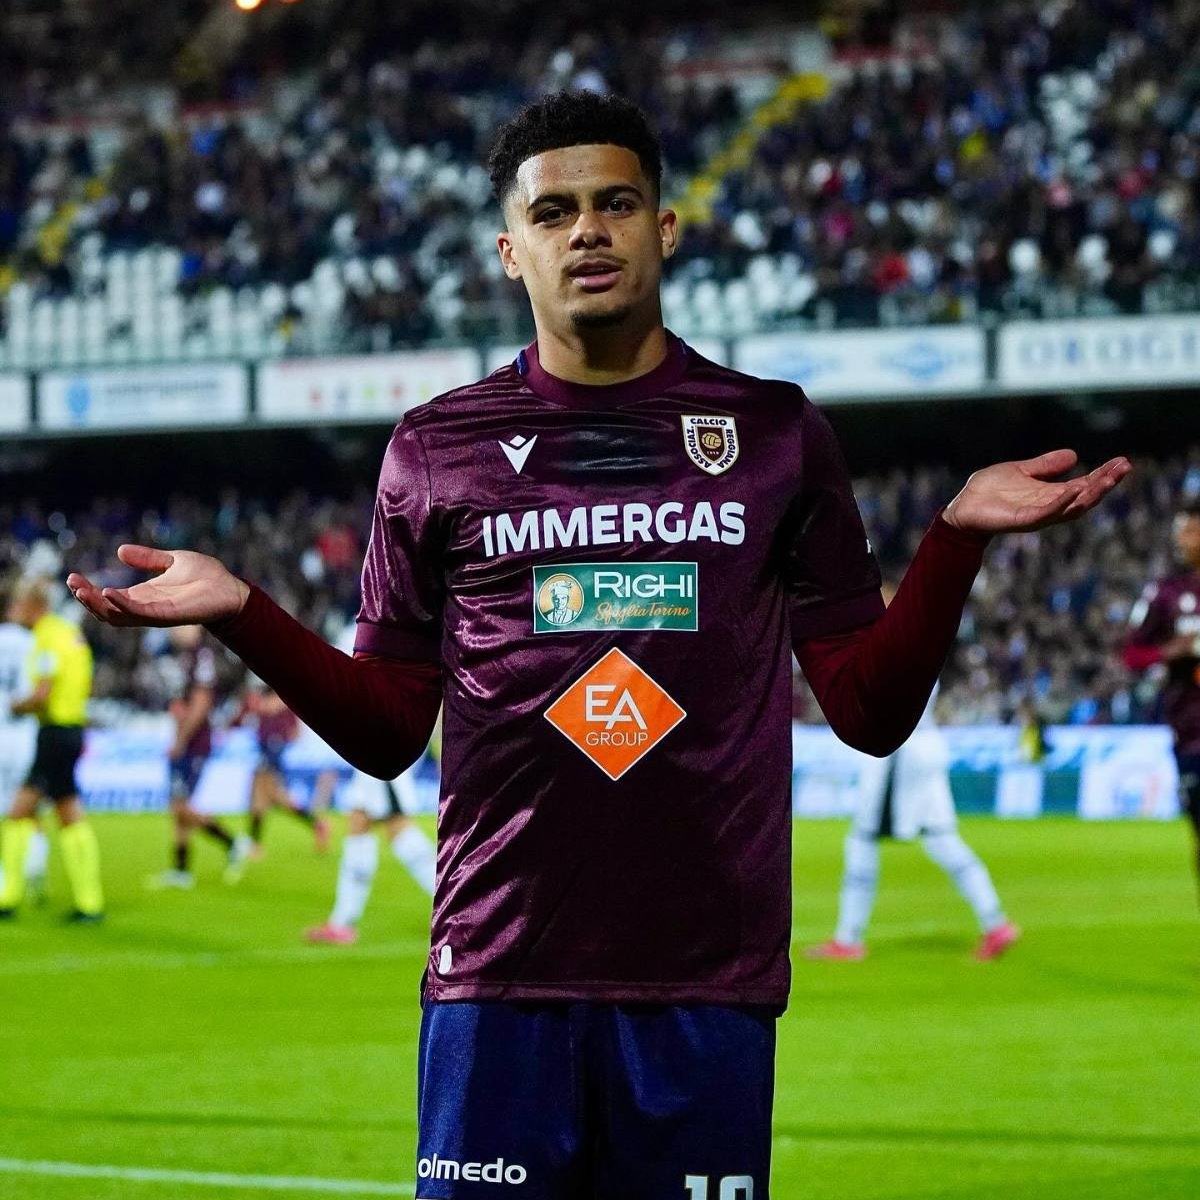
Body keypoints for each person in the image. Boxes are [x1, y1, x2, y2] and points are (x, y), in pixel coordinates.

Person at [68, 91, 1129, 1199]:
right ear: (509, 251)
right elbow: (388, 732)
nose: (587, 231)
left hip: (704, 985)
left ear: (664, 229)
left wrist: (953, 540)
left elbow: (868, 710)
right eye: (553, 211)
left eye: (617, 204)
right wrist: (243, 610)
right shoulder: (434, 449)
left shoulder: (774, 434)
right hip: (498, 976)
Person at [807, 583, 1018, 961]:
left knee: (862, 839)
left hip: (897, 752)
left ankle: (848, 939)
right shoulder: (918, 634)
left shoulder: (888, 642)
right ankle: (996, 922)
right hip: (925, 745)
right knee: (942, 839)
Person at [306, 622, 438, 946]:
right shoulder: (369, 625)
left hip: (383, 734)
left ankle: (460, 903)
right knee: (365, 823)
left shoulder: (381, 628)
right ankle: (343, 923)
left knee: (394, 827)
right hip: (371, 735)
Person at [1, 579, 103, 922]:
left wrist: (16, 707)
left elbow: (43, 693)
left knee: (19, 812)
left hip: (54, 732)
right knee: (68, 811)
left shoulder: (46, 636)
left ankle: (8, 897)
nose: (15, 611)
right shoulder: (70, 634)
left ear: (34, 606)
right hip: (73, 729)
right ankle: (89, 902)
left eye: (19, 604)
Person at [1124, 497, 1200, 899]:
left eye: (1190, 530)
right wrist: (1172, 651)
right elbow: (1131, 654)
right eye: (1179, 531)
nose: (1181, 539)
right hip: (1192, 733)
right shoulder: (1166, 592)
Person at [146, 625, 251, 890]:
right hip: (187, 741)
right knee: (178, 806)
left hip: (194, 744)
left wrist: (180, 741)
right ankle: (181, 871)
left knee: (181, 807)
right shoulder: (186, 657)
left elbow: (201, 704)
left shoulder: (202, 657)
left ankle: (232, 842)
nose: (175, 630)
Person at [238, 684, 330, 857]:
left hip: (272, 757)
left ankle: (255, 844)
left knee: (261, 799)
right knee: (276, 799)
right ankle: (317, 824)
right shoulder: (269, 710)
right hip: (267, 755)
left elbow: (293, 732)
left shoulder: (280, 707)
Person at [0, 588, 44, 901]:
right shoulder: (34, 641)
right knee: (29, 805)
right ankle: (35, 866)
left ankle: (5, 876)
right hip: (27, 734)